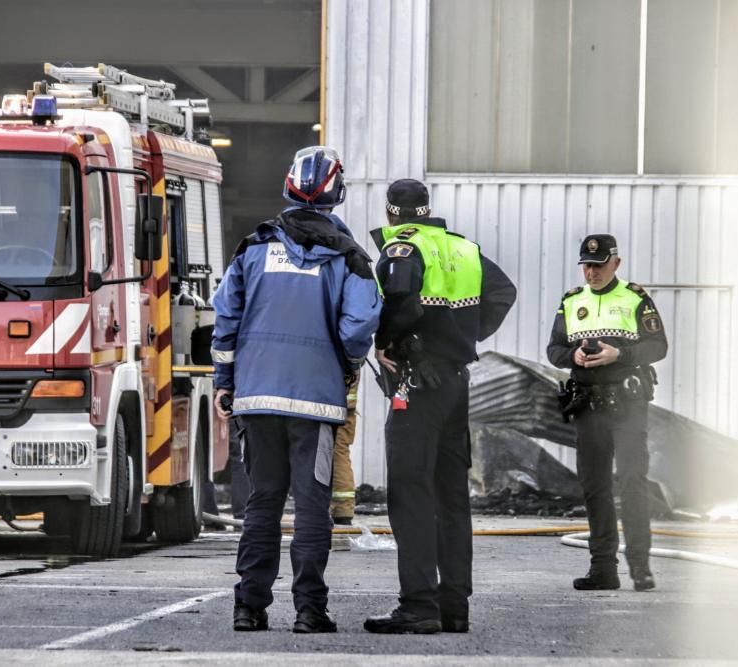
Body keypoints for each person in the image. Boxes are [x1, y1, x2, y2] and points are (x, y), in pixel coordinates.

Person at [212, 146, 381, 634]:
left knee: (263, 502)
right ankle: (309, 611)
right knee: (312, 507)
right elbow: (359, 325)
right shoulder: (349, 257)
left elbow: (226, 318)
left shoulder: (253, 248)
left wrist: (226, 382)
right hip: (315, 401)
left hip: (257, 398)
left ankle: (249, 607)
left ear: (289, 187)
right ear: (337, 194)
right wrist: (347, 366)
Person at [364, 179, 516, 634]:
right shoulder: (463, 249)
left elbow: (400, 301)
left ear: (391, 212)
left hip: (417, 382)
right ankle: (454, 606)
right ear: (427, 210)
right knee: (451, 496)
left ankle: (418, 605)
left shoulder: (403, 251)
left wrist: (389, 342)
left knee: (410, 493)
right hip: (454, 380)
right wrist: (462, 340)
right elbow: (502, 292)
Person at [546, 234, 668, 592]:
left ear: (616, 263)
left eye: (598, 266)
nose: (591, 272)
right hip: (587, 403)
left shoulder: (634, 297)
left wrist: (620, 355)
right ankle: (603, 569)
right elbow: (555, 349)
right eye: (586, 265)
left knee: (632, 483)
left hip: (627, 403)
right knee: (595, 486)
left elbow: (658, 346)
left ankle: (641, 569)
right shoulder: (571, 301)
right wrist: (575, 357)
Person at [330, 376, 359, 525]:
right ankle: (342, 509)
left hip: (333, 396)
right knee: (339, 449)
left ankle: (341, 509)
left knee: (336, 450)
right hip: (344, 393)